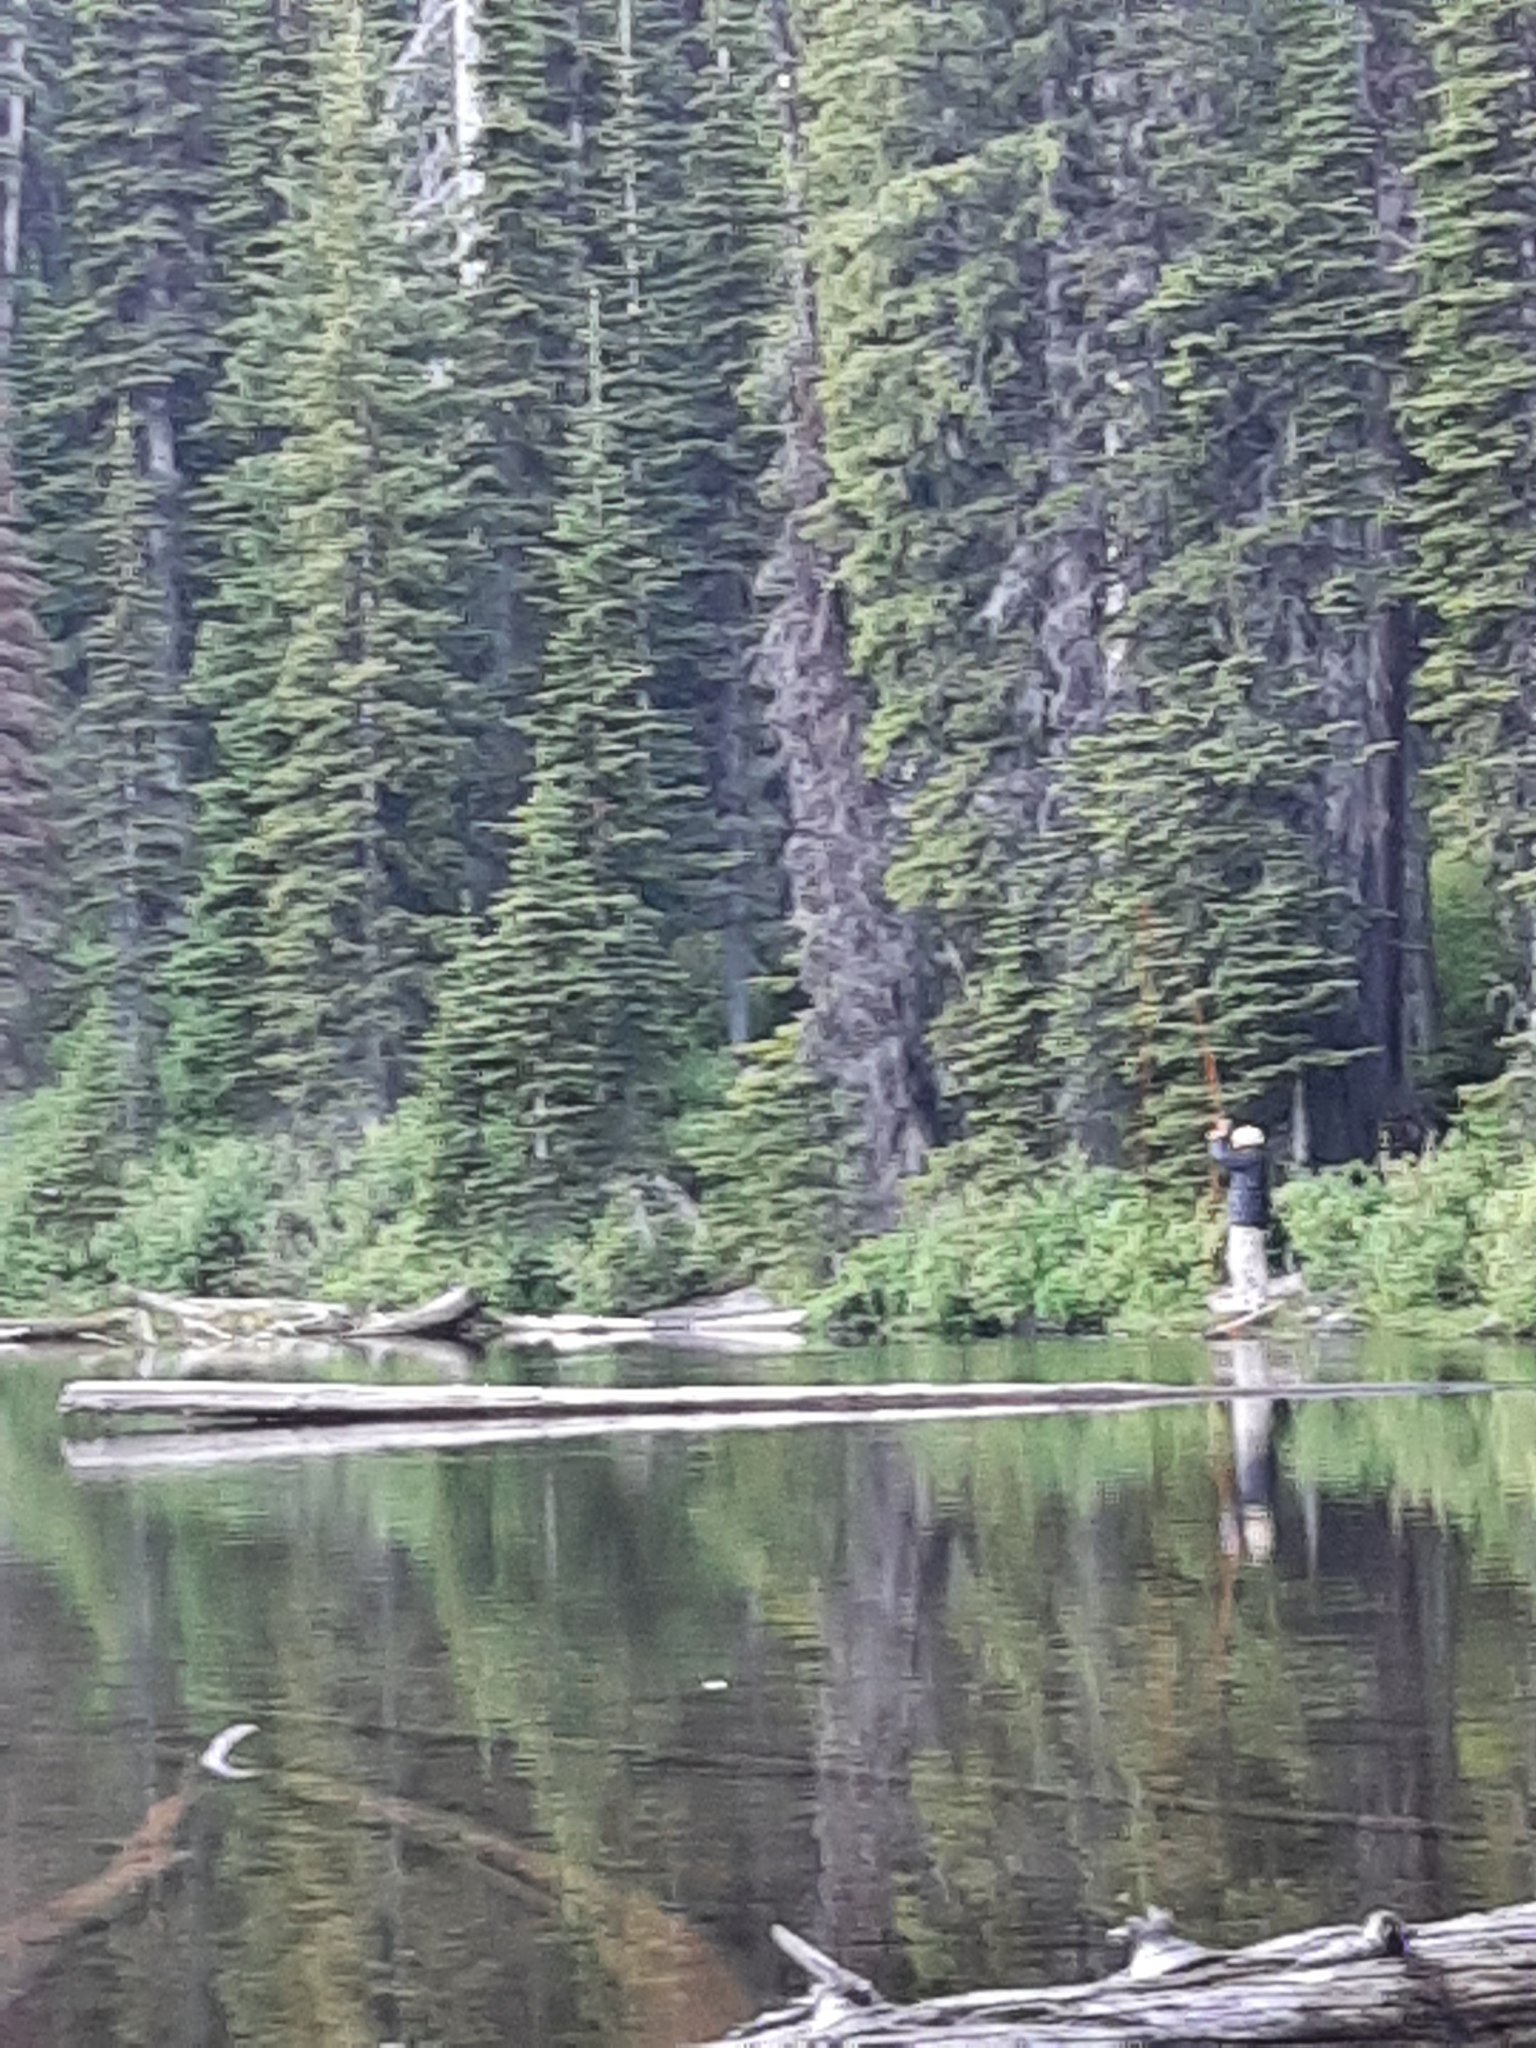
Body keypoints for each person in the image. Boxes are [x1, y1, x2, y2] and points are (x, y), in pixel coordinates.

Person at [1208, 1115, 1270, 1311]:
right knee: (1251, 1258)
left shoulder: (1251, 1157)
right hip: (1252, 1216)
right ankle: (1254, 1294)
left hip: (1246, 1217)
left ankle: (1248, 1296)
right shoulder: (1257, 1158)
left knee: (1240, 1258)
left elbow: (1222, 1157)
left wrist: (1218, 1137)